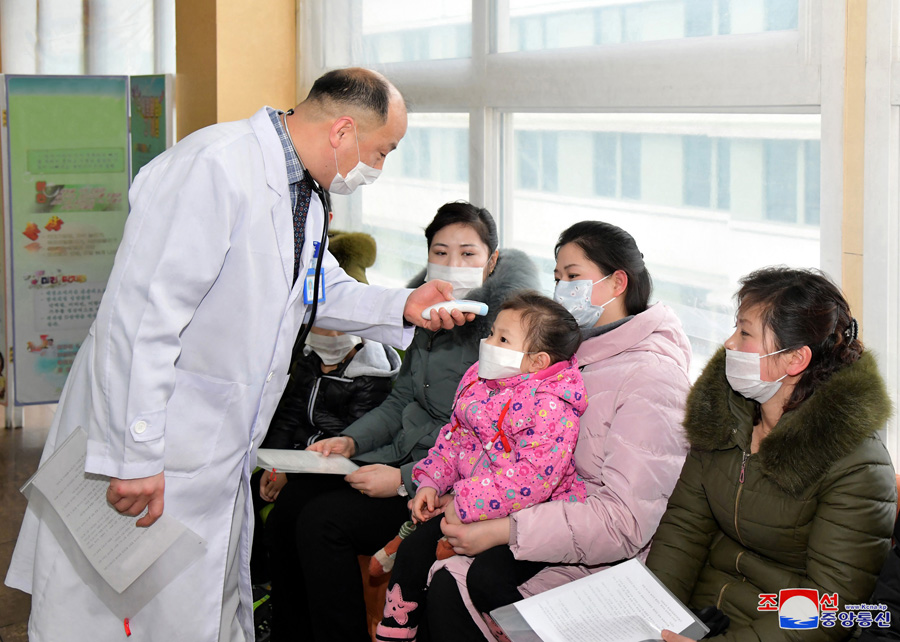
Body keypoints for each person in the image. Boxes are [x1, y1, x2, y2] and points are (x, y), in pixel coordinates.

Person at [5, 67, 471, 642]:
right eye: (382, 151)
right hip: (154, 439)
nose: (378, 167)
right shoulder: (212, 168)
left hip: (212, 448)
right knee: (116, 612)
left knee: (195, 608)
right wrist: (135, 455)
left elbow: (312, 288)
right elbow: (142, 320)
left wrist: (404, 304)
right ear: (343, 131)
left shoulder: (303, 191)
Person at [263, 201, 539, 642]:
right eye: (441, 252)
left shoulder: (502, 340)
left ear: (492, 261)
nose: (453, 264)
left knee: (322, 522)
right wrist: (350, 442)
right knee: (293, 502)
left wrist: (403, 480)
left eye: (468, 253)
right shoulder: (427, 318)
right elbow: (400, 402)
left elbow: (481, 441)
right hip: (397, 458)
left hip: (438, 486)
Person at [422, 220, 693, 641]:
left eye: (572, 276)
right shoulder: (564, 355)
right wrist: (461, 490)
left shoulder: (652, 378)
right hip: (534, 521)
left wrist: (506, 529)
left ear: (617, 282)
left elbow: (623, 522)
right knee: (434, 566)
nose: (561, 289)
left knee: (455, 584)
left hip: (598, 561)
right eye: (557, 277)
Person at [645, 267, 896, 642]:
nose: (729, 343)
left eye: (745, 333)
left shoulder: (856, 464)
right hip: (701, 614)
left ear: (795, 359)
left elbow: (829, 605)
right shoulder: (726, 418)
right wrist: (652, 618)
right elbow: (684, 528)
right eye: (735, 328)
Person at [376, 292, 586, 641]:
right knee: (413, 549)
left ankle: (517, 634)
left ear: (537, 361)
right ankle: (395, 631)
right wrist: (430, 482)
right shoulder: (479, 381)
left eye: (503, 339)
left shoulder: (551, 406)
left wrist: (463, 501)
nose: (488, 343)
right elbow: (453, 440)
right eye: (491, 333)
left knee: (487, 577)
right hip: (474, 504)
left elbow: (532, 480)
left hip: (531, 517)